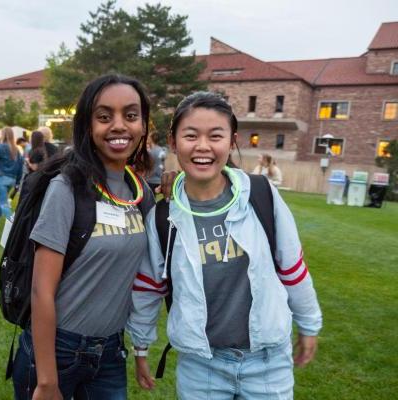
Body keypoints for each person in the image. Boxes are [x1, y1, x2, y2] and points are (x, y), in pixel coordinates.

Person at [128, 92, 322, 399]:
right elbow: (149, 286)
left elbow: (292, 267)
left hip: (268, 362)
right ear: (174, 141)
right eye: (191, 135)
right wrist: (140, 345)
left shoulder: (261, 194)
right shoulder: (163, 216)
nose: (203, 146)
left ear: (231, 141)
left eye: (215, 136)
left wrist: (309, 324)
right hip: (201, 366)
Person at [11, 74, 155, 400]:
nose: (119, 126)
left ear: (143, 125)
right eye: (104, 117)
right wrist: (47, 380)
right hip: (57, 349)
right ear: (88, 127)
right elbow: (41, 290)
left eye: (130, 116)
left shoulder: (140, 193)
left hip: (110, 353)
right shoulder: (67, 188)